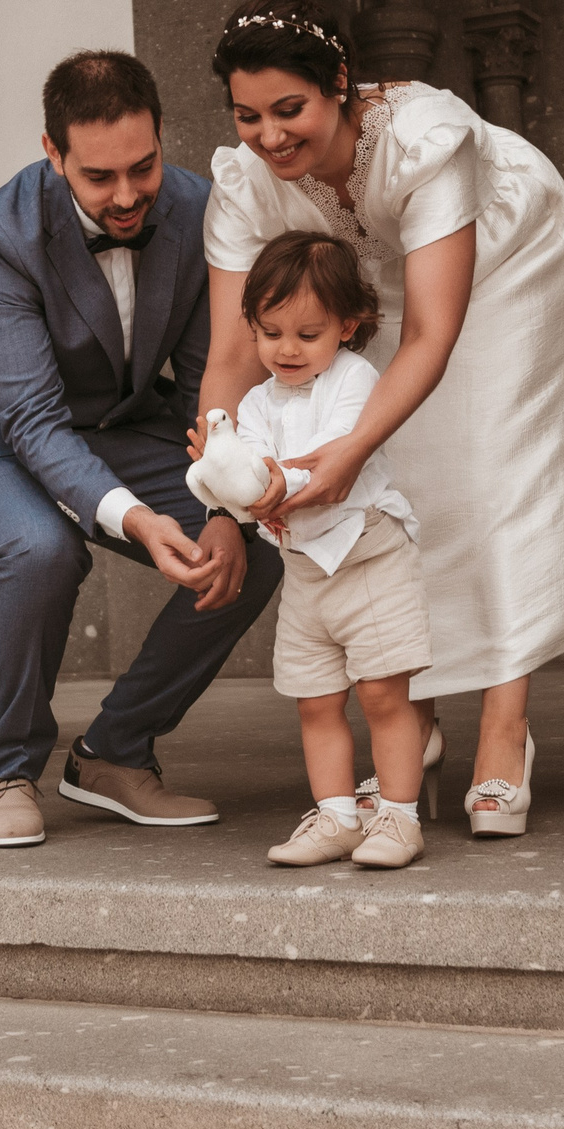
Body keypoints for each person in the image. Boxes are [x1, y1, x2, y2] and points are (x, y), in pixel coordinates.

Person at [196, 0, 564, 837]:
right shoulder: (243, 184)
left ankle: (505, 723)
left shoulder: (426, 138)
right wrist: (222, 481)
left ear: (340, 86)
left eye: (291, 110)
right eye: (249, 116)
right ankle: (413, 712)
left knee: (496, 465)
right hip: (356, 283)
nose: (270, 136)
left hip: (502, 252)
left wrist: (349, 448)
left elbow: (432, 331)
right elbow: (231, 355)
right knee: (409, 480)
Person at [0, 51, 283, 847]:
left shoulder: (202, 208)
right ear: (53, 152)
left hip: (116, 426)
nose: (128, 195)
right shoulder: (2, 232)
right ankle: (9, 769)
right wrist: (138, 520)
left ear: (162, 135)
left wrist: (222, 500)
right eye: (99, 177)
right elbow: (30, 419)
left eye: (143, 167)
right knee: (42, 550)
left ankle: (112, 753)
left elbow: (214, 373)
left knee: (255, 552)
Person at [187, 232, 432, 869]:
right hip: (304, 572)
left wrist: (264, 483)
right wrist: (221, 472)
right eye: (270, 333)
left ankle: (399, 819)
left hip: (368, 556)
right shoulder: (254, 401)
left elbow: (323, 460)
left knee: (384, 695)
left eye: (307, 333)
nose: (286, 350)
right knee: (316, 699)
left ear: (348, 326)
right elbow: (246, 466)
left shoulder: (356, 379)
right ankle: (336, 815)